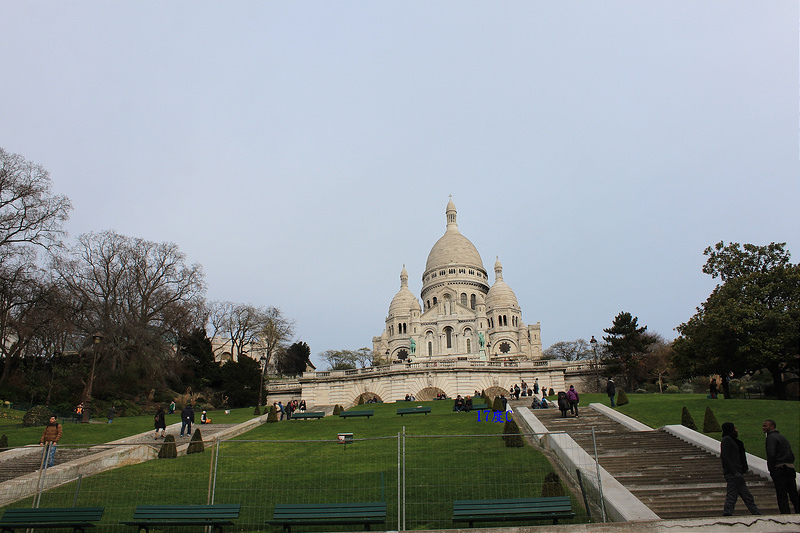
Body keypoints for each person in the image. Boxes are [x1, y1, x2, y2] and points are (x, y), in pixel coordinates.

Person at [720, 422, 761, 516]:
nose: (736, 430)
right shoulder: (727, 440)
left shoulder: (732, 440)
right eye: (735, 428)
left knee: (746, 495)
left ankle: (756, 512)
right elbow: (725, 456)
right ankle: (727, 513)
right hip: (733, 473)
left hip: (737, 472)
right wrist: (734, 472)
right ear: (731, 429)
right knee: (733, 495)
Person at [763, 419, 800, 514]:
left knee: (782, 494)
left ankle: (785, 514)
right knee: (793, 493)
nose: (763, 428)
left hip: (779, 468)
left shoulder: (771, 438)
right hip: (789, 467)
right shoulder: (783, 437)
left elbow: (771, 454)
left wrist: (771, 469)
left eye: (765, 426)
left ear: (772, 426)